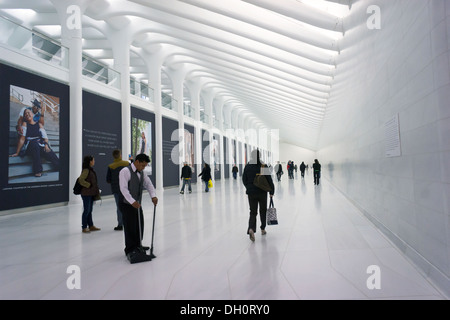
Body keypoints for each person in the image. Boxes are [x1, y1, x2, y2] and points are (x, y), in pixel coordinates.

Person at [119, 153, 158, 262]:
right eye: (142, 165)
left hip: (136, 203)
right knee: (130, 226)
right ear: (137, 162)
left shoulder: (142, 173)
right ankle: (130, 249)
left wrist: (153, 196)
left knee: (139, 224)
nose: (143, 167)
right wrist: (132, 201)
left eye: (145, 166)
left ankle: (137, 245)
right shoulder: (125, 172)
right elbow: (124, 189)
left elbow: (149, 184)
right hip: (126, 203)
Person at [9, 108, 59, 177]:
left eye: (28, 112)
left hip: (40, 144)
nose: (27, 114)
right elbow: (22, 139)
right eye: (25, 114)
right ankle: (37, 170)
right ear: (24, 117)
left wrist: (46, 145)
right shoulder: (25, 124)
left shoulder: (39, 125)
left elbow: (45, 139)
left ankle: (59, 166)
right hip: (30, 146)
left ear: (32, 114)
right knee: (35, 145)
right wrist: (17, 152)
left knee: (48, 151)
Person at [242, 149, 275, 242]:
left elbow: (244, 179)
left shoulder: (247, 166)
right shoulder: (263, 166)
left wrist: (248, 187)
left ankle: (251, 229)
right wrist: (272, 191)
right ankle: (263, 228)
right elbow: (269, 180)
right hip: (262, 192)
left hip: (251, 193)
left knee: (253, 211)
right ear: (259, 156)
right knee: (263, 211)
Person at [106, 149, 130, 231]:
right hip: (127, 189)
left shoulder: (111, 166)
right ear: (120, 155)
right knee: (128, 205)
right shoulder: (127, 164)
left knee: (119, 207)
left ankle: (120, 225)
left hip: (116, 190)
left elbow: (108, 180)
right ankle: (129, 223)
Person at [78, 155, 101, 233]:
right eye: (93, 160)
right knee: (86, 210)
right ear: (90, 161)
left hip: (90, 193)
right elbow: (81, 180)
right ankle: (84, 227)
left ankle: (91, 225)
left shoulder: (90, 170)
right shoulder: (86, 170)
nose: (94, 161)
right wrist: (88, 185)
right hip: (86, 193)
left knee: (89, 210)